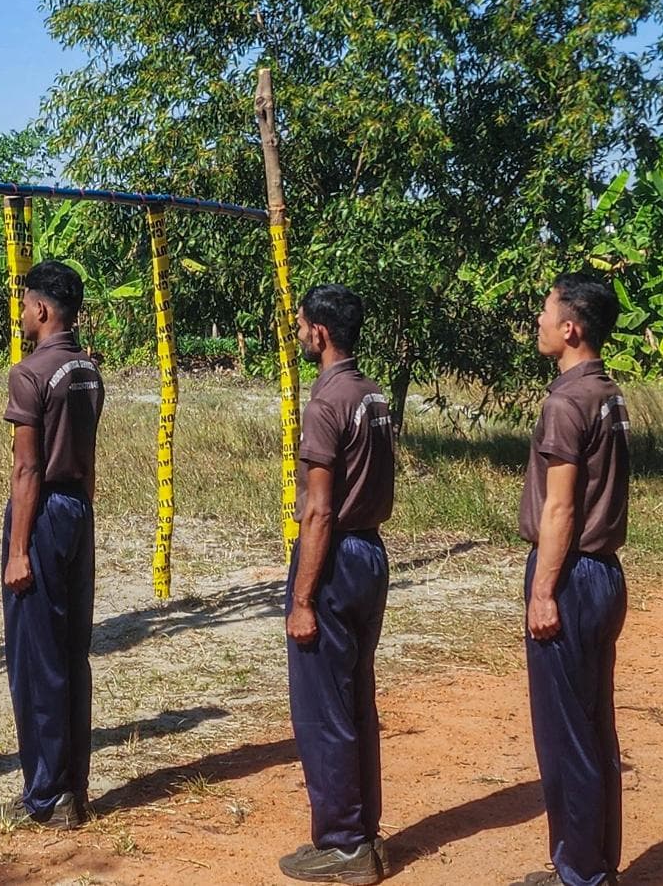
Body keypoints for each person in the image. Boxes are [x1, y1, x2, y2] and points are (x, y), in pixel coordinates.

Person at [510, 273, 631, 886]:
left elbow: (559, 508)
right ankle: (593, 862)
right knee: (593, 726)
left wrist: (542, 591)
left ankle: (580, 872)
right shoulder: (607, 393)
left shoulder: (566, 402)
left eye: (545, 310)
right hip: (603, 573)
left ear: (571, 328)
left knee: (566, 735)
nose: (538, 320)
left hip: (571, 575)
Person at [280, 284, 398, 885]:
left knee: (324, 706)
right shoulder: (372, 394)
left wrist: (302, 598)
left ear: (320, 333)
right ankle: (362, 834)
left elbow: (320, 509)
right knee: (355, 698)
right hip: (371, 554)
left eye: (301, 325)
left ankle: (344, 844)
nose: (299, 333)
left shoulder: (327, 402)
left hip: (334, 559)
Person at [0, 260, 104, 829]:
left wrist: (18, 550)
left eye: (23, 305)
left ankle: (46, 794)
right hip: (77, 512)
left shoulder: (30, 372)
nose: (21, 314)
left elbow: (27, 468)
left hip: (40, 515)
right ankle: (74, 788)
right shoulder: (88, 370)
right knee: (70, 653)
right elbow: (87, 455)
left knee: (36, 661)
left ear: (41, 309)